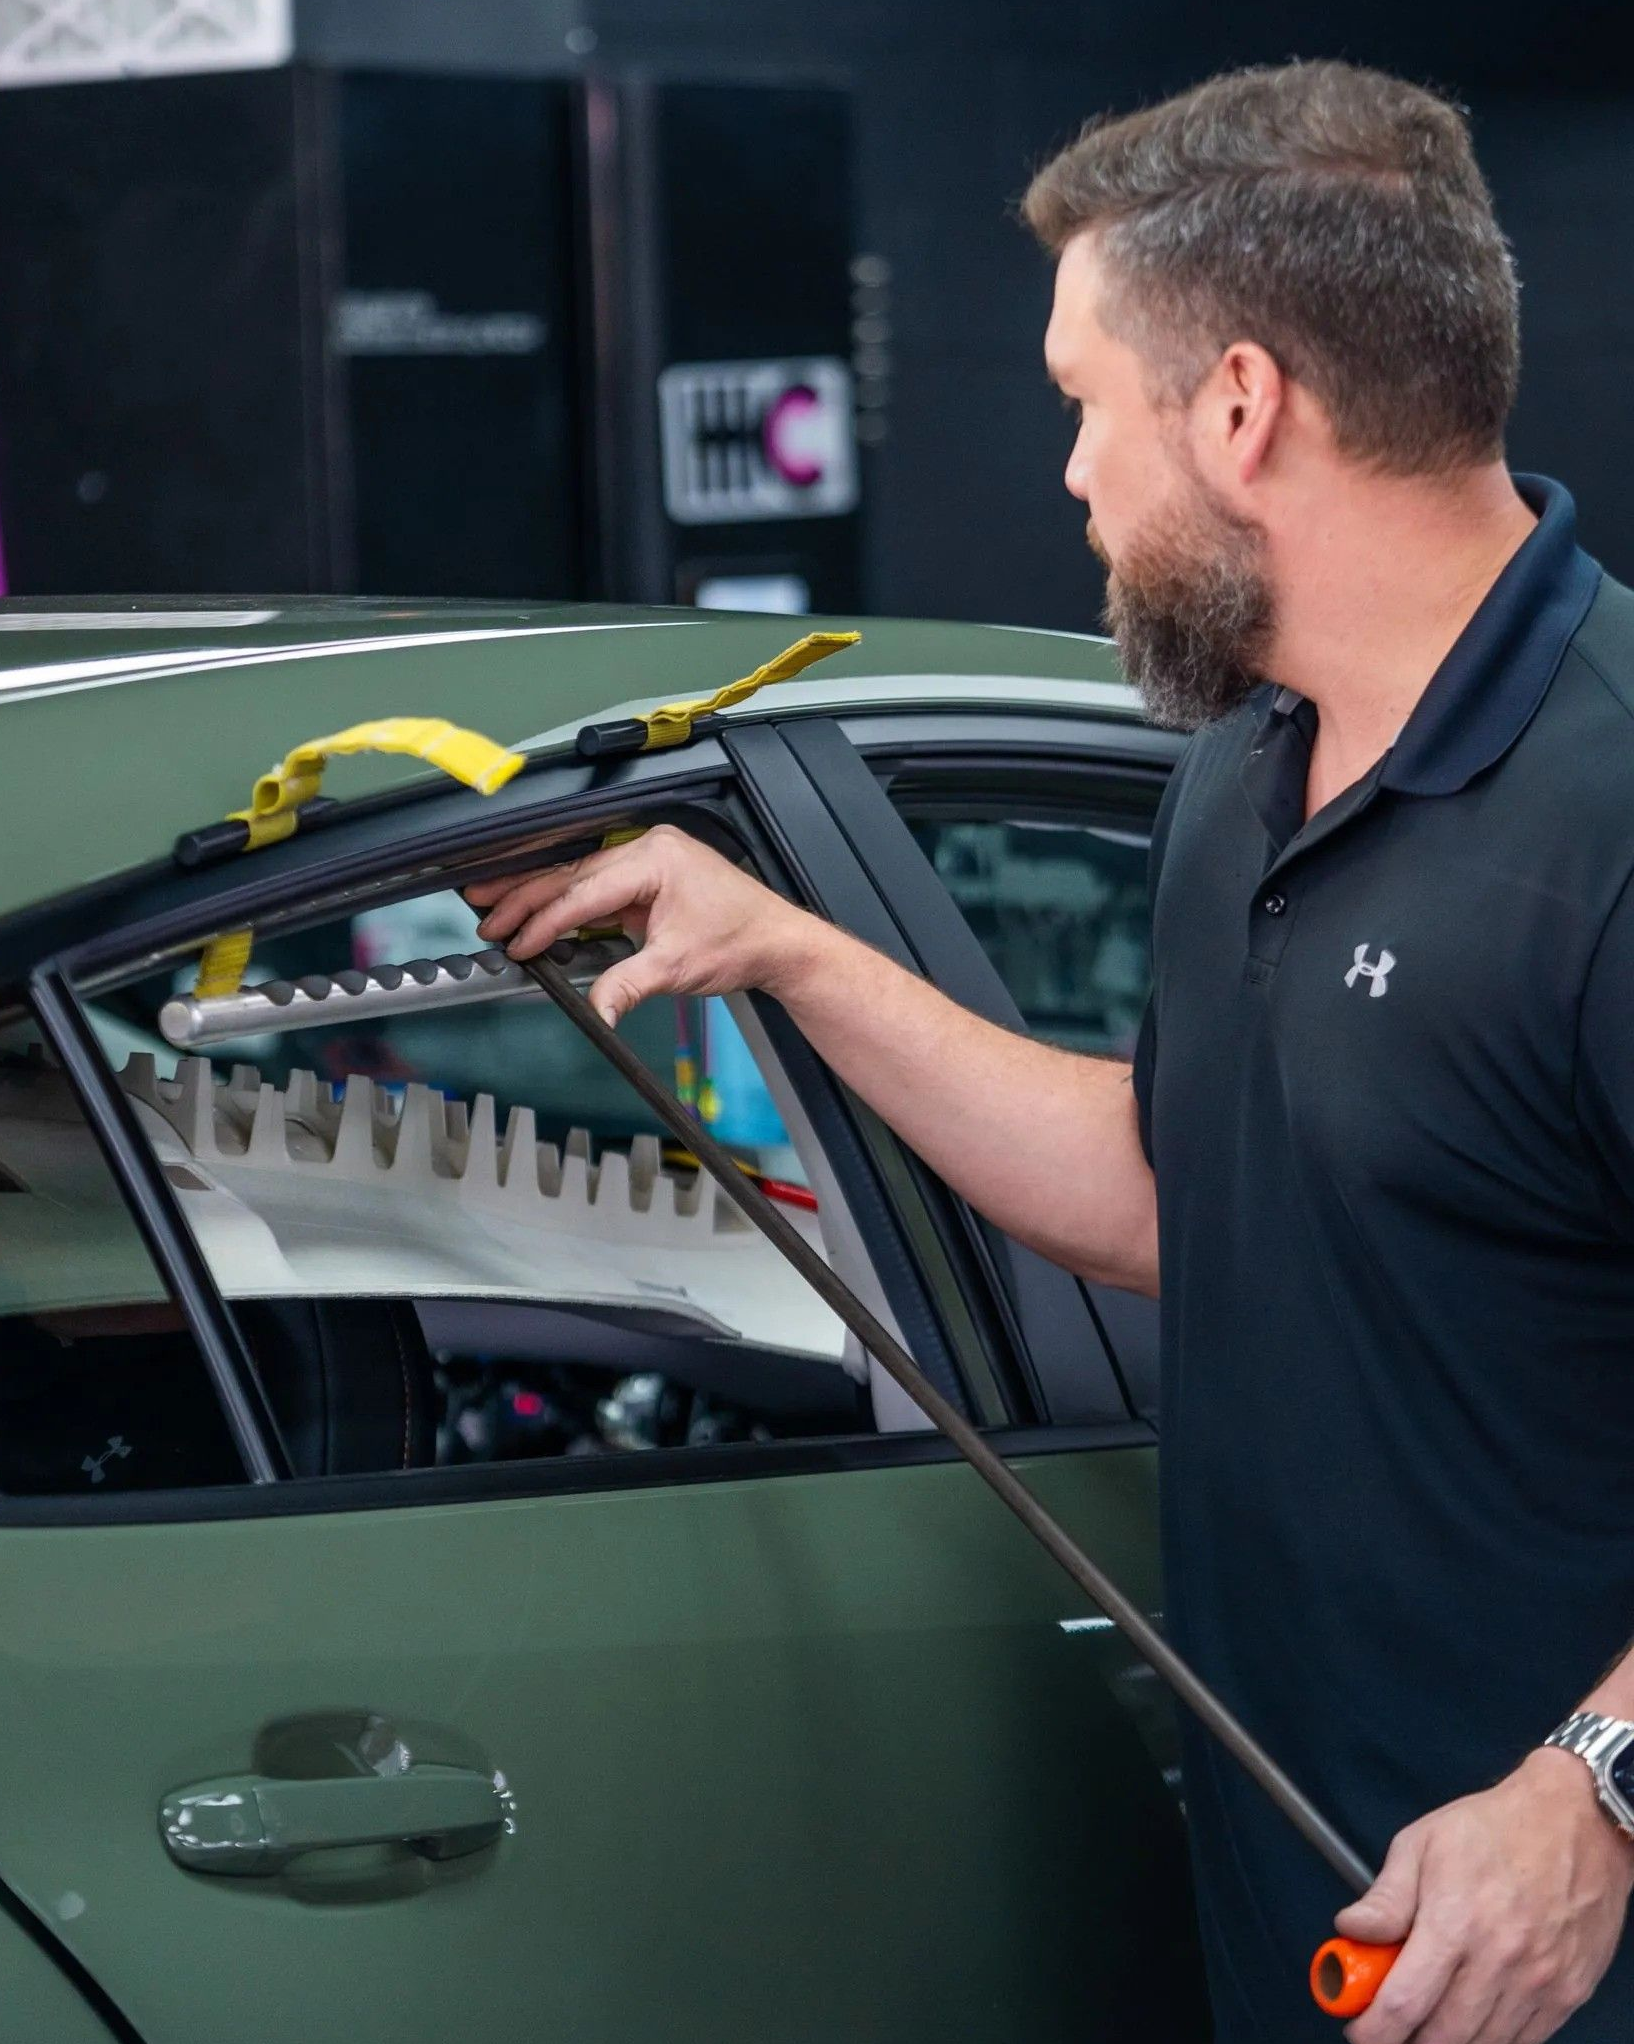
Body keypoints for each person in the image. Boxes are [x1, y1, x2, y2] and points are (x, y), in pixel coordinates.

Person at [471, 58, 1634, 2044]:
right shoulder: (1243, 769)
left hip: (1565, 1942)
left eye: (1088, 400)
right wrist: (789, 953)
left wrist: (1599, 1786)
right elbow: (1184, 1196)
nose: (1074, 475)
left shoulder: (1611, 806)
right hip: (1332, 1923)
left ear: (1243, 405)